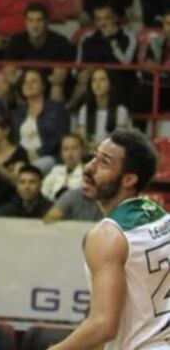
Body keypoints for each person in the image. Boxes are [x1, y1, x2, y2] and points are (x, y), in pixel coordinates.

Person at [47, 129, 167, 350]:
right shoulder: (160, 215)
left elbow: (103, 326)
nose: (89, 167)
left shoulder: (106, 235)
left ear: (129, 179)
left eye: (104, 163)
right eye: (94, 156)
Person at [3, 2, 74, 103]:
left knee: (56, 87)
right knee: (4, 86)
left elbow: (59, 77)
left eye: (39, 20)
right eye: (30, 20)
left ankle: (55, 117)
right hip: (27, 82)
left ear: (46, 22)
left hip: (49, 86)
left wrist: (34, 82)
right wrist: (24, 82)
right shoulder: (16, 41)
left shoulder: (60, 42)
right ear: (25, 22)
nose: (34, 25)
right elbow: (9, 73)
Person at [72, 4, 138, 108]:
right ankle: (68, 109)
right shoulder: (87, 39)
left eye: (107, 18)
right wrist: (81, 73)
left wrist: (112, 40)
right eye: (98, 19)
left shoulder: (128, 37)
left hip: (122, 82)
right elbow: (77, 69)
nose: (103, 23)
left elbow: (126, 64)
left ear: (115, 18)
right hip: (95, 81)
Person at [12, 69, 70, 173]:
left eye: (33, 81)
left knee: (28, 171)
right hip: (22, 157)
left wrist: (37, 153)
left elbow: (60, 138)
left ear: (43, 86)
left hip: (48, 156)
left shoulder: (57, 109)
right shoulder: (17, 113)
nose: (29, 85)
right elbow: (14, 140)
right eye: (25, 82)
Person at [130, 10, 170, 121]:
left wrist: (158, 70)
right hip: (156, 85)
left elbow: (155, 68)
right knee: (138, 94)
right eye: (167, 24)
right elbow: (147, 68)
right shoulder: (155, 41)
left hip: (165, 87)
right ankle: (137, 135)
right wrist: (162, 72)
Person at [77, 68, 131, 147]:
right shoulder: (85, 109)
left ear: (110, 83)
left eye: (102, 80)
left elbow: (119, 140)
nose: (97, 84)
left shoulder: (120, 110)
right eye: (94, 80)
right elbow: (82, 138)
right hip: (90, 151)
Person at [42, 133, 86, 200]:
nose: (70, 153)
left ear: (82, 151)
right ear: (61, 153)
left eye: (74, 148)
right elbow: (43, 193)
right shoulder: (56, 170)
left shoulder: (87, 173)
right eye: (66, 149)